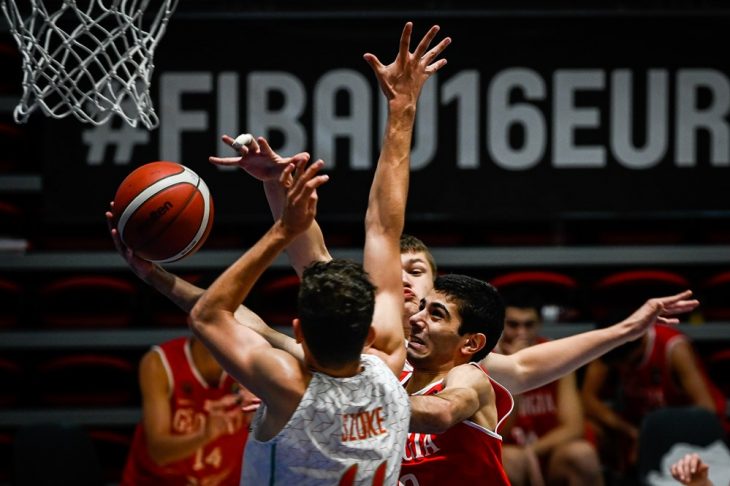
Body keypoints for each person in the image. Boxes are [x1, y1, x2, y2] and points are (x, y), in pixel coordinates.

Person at [187, 22, 451, 484]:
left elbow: (211, 315)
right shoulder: (383, 358)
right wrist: (402, 109)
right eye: (400, 270)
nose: (404, 279)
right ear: (370, 329)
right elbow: (374, 233)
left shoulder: (291, 386)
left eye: (416, 270)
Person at [581, 317, 726, 474]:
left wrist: (654, 436)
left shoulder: (674, 349)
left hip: (679, 427)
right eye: (617, 366)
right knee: (590, 429)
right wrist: (631, 431)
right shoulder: (609, 348)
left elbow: (707, 410)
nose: (624, 369)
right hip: (637, 426)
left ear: (643, 341)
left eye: (629, 363)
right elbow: (587, 399)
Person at [496, 293, 602, 486]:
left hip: (548, 452)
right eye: (513, 325)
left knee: (582, 454)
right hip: (508, 453)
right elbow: (496, 432)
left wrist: (530, 452)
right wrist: (513, 373)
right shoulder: (488, 359)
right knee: (510, 460)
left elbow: (573, 427)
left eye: (529, 325)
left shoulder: (555, 355)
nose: (521, 333)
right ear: (500, 325)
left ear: (539, 325)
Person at [120, 335, 256, 486]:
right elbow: (158, 453)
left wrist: (262, 414)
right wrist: (204, 435)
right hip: (161, 480)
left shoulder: (253, 363)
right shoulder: (159, 363)